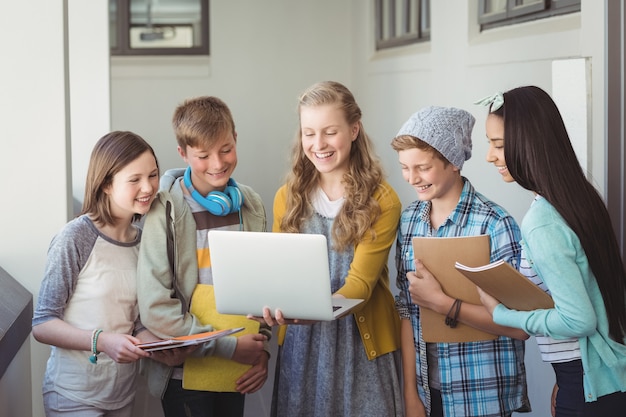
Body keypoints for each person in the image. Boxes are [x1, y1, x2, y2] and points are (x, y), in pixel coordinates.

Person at [475, 85, 626, 416]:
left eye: (498, 145)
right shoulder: (580, 197)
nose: (490, 156)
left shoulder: (542, 222)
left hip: (589, 384)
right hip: (597, 376)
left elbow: (579, 320)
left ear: (528, 144)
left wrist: (500, 313)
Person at [261, 81, 403, 417]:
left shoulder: (381, 200)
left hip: (359, 347)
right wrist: (266, 303)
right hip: (301, 349)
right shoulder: (287, 197)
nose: (318, 144)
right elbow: (280, 273)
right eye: (308, 133)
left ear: (354, 129)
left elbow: (359, 287)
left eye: (329, 132)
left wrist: (306, 311)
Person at [136, 96, 271, 417]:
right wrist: (228, 347)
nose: (217, 163)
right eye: (202, 155)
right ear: (183, 153)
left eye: (226, 149)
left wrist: (260, 350)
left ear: (236, 138)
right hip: (185, 376)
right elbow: (156, 309)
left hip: (235, 372)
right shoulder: (162, 210)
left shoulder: (250, 204)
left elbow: (265, 288)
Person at [392, 106, 531, 417]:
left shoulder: (495, 224)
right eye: (404, 167)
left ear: (454, 162)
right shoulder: (408, 221)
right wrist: (410, 395)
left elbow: (520, 326)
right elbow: (406, 309)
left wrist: (443, 303)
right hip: (429, 393)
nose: (412, 178)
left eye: (423, 168)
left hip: (482, 395)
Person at [32, 131, 160, 416]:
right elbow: (42, 323)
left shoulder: (144, 241)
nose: (148, 187)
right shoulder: (75, 237)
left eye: (153, 175)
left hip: (123, 394)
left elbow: (135, 321)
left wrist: (161, 346)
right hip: (72, 395)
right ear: (106, 184)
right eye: (135, 179)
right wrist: (102, 341)